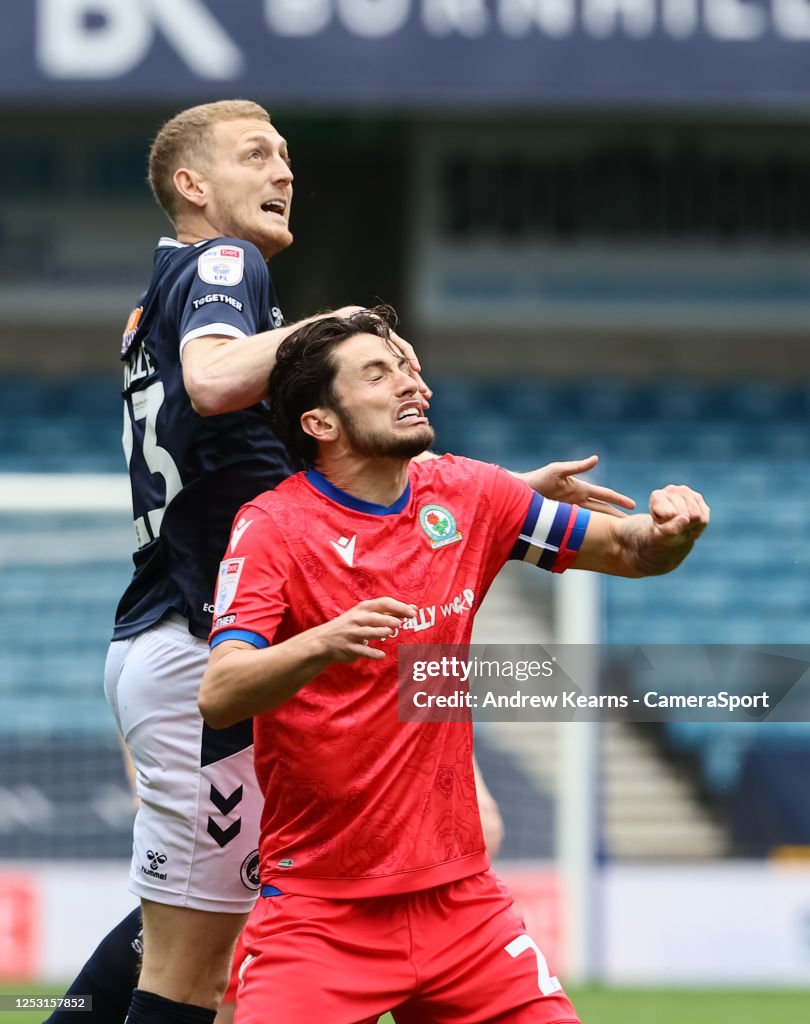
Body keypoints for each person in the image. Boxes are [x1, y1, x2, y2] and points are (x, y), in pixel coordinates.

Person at [46, 99, 636, 1024]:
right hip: (206, 641)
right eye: (255, 156)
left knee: (201, 932)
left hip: (181, 632)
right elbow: (211, 381)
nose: (283, 171)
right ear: (192, 188)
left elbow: (301, 472)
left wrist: (501, 495)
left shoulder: (159, 297)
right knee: (195, 963)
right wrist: (343, 323)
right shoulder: (221, 262)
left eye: (285, 155)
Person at [198, 306, 709, 1024]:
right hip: (320, 914)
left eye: (407, 368)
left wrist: (669, 535)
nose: (412, 384)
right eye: (378, 374)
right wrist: (321, 642)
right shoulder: (273, 527)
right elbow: (219, 693)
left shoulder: (471, 492)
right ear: (321, 423)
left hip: (462, 908)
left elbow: (626, 549)